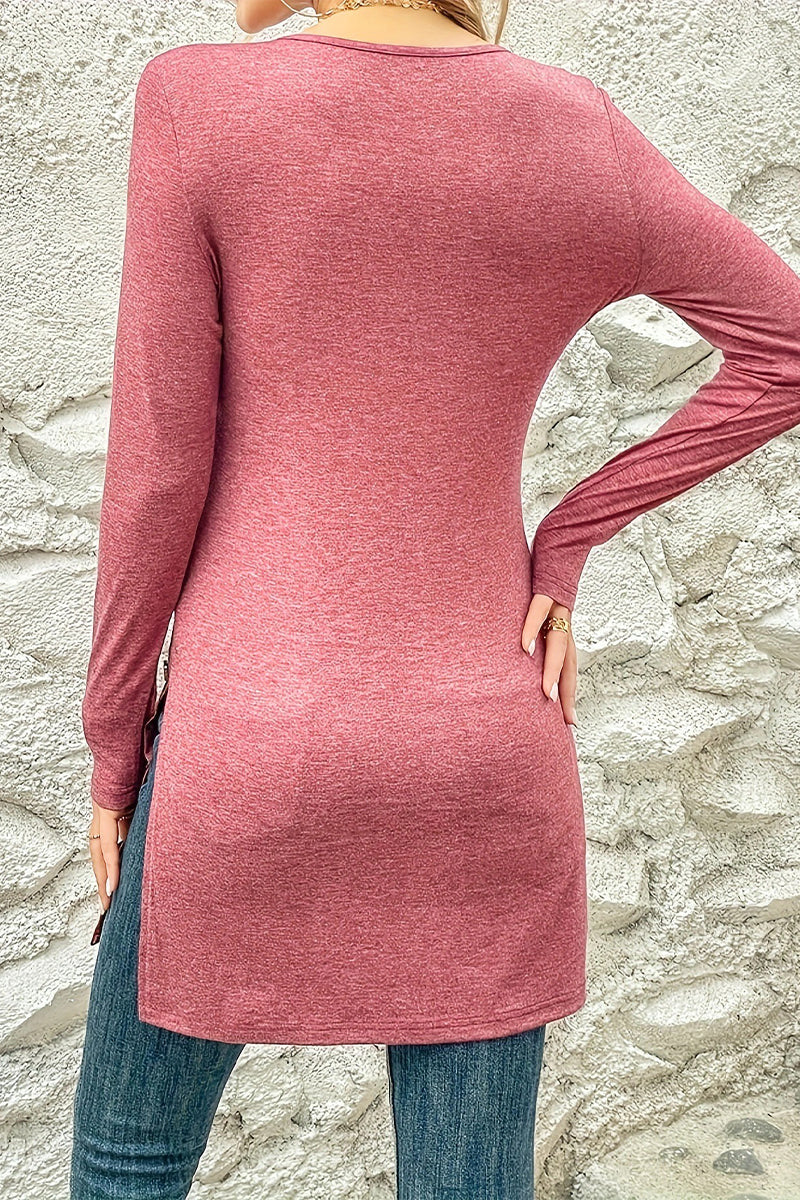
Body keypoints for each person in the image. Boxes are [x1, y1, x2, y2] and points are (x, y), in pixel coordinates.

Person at [70, 0, 800, 1196]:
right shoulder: (574, 126)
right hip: (485, 743)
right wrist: (564, 538)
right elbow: (784, 347)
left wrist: (113, 748)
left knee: (130, 1160)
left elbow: (158, 471)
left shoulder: (200, 99)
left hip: (248, 744)